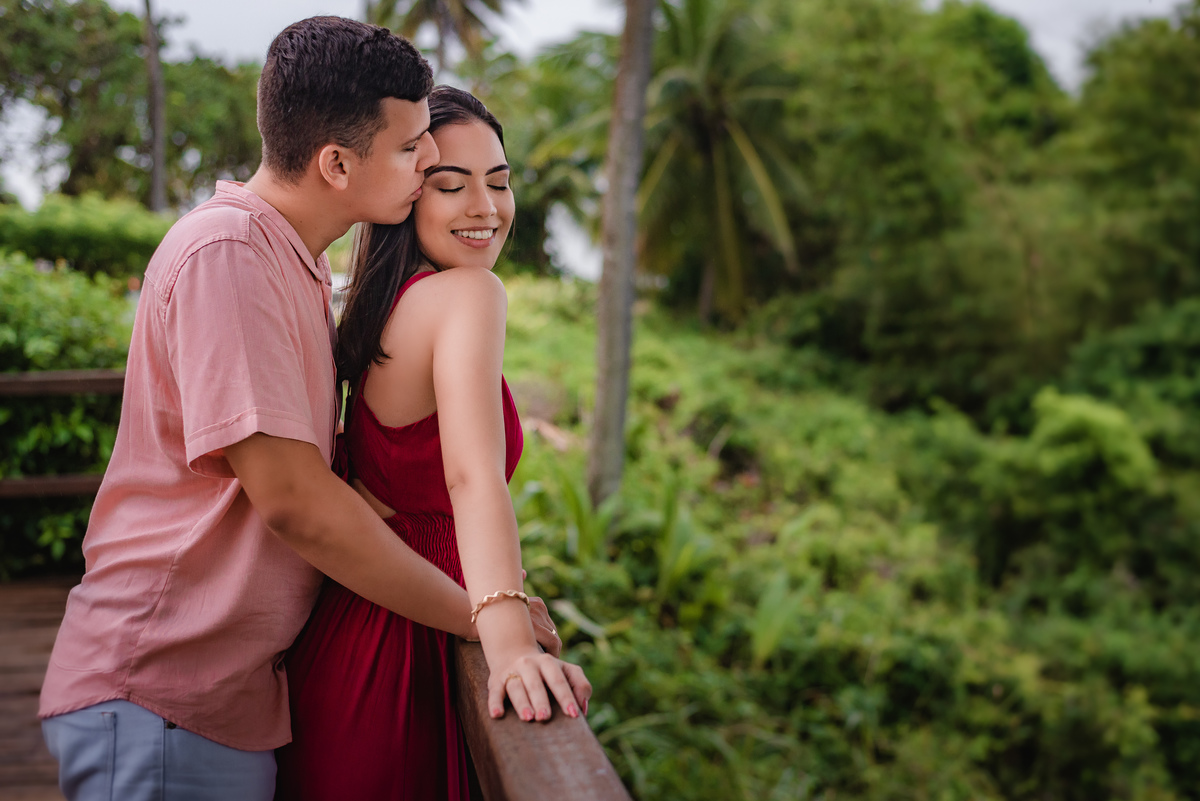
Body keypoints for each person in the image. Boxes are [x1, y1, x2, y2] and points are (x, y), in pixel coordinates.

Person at [39, 19, 560, 801]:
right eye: (416, 148)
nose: (429, 163)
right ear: (338, 164)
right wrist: (488, 617)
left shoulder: (297, 264)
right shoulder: (229, 257)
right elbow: (296, 500)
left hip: (237, 697)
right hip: (161, 694)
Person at [274, 86, 590, 801]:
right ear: (408, 196)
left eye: (500, 182)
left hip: (349, 636)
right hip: (406, 653)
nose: (485, 207)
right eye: (451, 185)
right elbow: (473, 477)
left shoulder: (383, 308)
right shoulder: (471, 295)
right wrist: (509, 640)